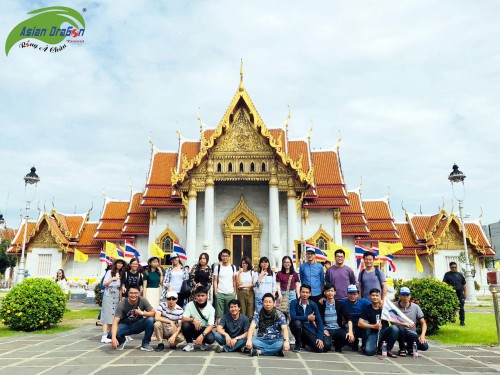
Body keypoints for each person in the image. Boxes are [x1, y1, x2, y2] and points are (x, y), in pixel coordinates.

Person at [109, 285, 155, 351]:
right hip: (125, 326)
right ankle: (122, 341)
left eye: (136, 293)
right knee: (111, 334)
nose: (133, 295)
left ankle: (145, 344)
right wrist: (113, 338)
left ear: (139, 293)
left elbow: (153, 313)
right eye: (131, 293)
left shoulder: (143, 300)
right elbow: (115, 321)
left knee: (151, 320)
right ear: (128, 293)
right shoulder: (122, 304)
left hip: (138, 324)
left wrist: (141, 313)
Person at [358, 288, 398, 357]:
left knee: (394, 328)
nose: (375, 297)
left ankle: (387, 349)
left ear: (380, 297)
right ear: (370, 297)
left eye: (377, 295)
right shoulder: (367, 309)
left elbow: (394, 320)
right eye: (373, 295)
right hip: (373, 333)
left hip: (384, 331)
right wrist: (374, 326)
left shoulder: (385, 308)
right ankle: (371, 346)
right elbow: (360, 323)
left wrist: (405, 324)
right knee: (369, 352)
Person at [317, 283, 354, 352]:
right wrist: (322, 329)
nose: (330, 293)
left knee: (349, 337)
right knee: (326, 346)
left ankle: (337, 345)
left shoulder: (340, 304)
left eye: (331, 291)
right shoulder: (321, 304)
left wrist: (350, 332)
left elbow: (349, 318)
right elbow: (316, 319)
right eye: (327, 291)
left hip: (338, 329)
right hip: (327, 330)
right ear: (324, 293)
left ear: (335, 292)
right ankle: (329, 343)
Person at [289, 284, 324, 353]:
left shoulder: (313, 304)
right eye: (303, 292)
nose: (305, 294)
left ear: (310, 294)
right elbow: (293, 317)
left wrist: (320, 337)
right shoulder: (294, 302)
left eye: (307, 292)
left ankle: (305, 342)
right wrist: (307, 318)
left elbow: (319, 321)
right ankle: (298, 343)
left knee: (320, 349)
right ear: (300, 292)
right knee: (297, 323)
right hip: (296, 327)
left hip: (308, 328)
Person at [396, 287, 429, 356]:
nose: (405, 297)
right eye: (403, 295)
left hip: (411, 332)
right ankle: (402, 348)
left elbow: (423, 323)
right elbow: (392, 321)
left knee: (425, 346)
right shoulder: (394, 305)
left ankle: (409, 347)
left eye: (407, 295)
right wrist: (404, 324)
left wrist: (422, 335)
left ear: (410, 296)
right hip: (399, 332)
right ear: (399, 296)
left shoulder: (415, 307)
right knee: (400, 328)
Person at [181, 286, 216, 351]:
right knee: (185, 325)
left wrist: (202, 335)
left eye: (203, 296)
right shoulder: (190, 305)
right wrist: (193, 319)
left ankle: (203, 342)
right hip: (193, 328)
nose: (200, 298)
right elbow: (183, 318)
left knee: (211, 339)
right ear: (195, 296)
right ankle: (189, 343)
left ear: (206, 296)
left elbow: (211, 325)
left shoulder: (211, 309)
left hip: (204, 329)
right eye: (198, 296)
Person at [100, 259, 126, 343]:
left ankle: (110, 335)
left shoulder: (122, 274)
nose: (119, 265)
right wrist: (112, 279)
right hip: (109, 293)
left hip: (117, 294)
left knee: (114, 316)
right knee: (107, 314)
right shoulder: (110, 272)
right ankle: (104, 335)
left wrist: (121, 299)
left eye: (121, 264)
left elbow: (121, 287)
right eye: (118, 263)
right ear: (115, 264)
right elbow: (104, 284)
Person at [340, 284, 371, 351]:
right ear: (347, 294)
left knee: (367, 323)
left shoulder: (364, 302)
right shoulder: (342, 302)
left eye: (354, 294)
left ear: (358, 294)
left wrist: (380, 302)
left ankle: (364, 344)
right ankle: (353, 342)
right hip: (350, 326)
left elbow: (374, 306)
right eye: (350, 294)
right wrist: (323, 299)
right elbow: (332, 303)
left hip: (361, 325)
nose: (352, 296)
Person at [213, 249, 237, 321]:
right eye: (223, 256)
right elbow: (215, 280)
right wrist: (215, 291)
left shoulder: (233, 267)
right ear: (221, 257)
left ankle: (228, 329)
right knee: (219, 313)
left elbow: (234, 280)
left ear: (229, 257)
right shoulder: (217, 267)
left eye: (226, 256)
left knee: (230, 312)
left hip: (230, 292)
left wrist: (235, 291)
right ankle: (219, 329)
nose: (225, 257)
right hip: (220, 292)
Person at [443, 261, 467, 325]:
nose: (454, 268)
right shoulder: (447, 274)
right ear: (450, 267)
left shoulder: (460, 275)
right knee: (452, 307)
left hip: (460, 293)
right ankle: (452, 318)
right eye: (452, 267)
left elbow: (464, 284)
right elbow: (444, 283)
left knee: (461, 307)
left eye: (455, 267)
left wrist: (465, 293)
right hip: (452, 293)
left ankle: (462, 321)